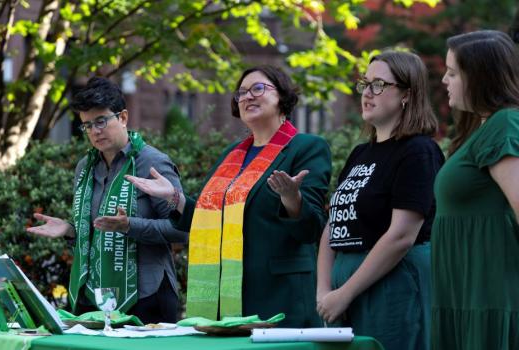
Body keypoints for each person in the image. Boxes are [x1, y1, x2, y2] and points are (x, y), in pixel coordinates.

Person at [126, 65, 331, 327]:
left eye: (258, 88)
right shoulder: (232, 155)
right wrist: (173, 197)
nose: (247, 97)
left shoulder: (307, 147)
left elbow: (312, 230)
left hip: (281, 295)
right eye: (242, 93)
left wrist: (291, 197)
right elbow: (205, 220)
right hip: (229, 294)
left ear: (282, 96)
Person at [27, 77, 187, 324]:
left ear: (123, 117)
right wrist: (71, 231)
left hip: (147, 296)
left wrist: (129, 226)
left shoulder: (151, 163)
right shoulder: (86, 167)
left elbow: (182, 230)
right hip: (95, 297)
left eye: (101, 121)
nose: (95, 131)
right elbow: (99, 231)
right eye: (87, 125)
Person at [316, 51, 444, 350]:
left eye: (379, 84)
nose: (367, 93)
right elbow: (334, 225)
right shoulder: (361, 153)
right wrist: (324, 291)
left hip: (391, 284)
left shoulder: (418, 151)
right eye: (365, 84)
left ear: (406, 95)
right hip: (342, 291)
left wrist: (345, 292)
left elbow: (401, 235)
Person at [432, 30, 519, 349]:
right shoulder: (479, 127)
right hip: (462, 291)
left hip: (489, 292)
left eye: (453, 73)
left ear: (480, 77)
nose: (444, 80)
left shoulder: (505, 123)